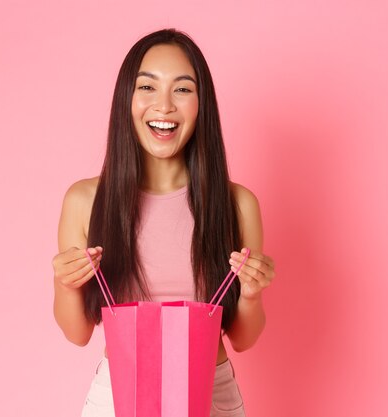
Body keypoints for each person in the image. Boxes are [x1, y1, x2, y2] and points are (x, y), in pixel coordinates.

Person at [52, 28, 275, 417]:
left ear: (202, 104)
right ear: (127, 99)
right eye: (148, 87)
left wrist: (252, 294)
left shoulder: (237, 204)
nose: (165, 106)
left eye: (183, 89)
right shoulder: (85, 201)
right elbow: (76, 333)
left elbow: (243, 337)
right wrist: (65, 282)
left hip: (212, 392)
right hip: (119, 392)